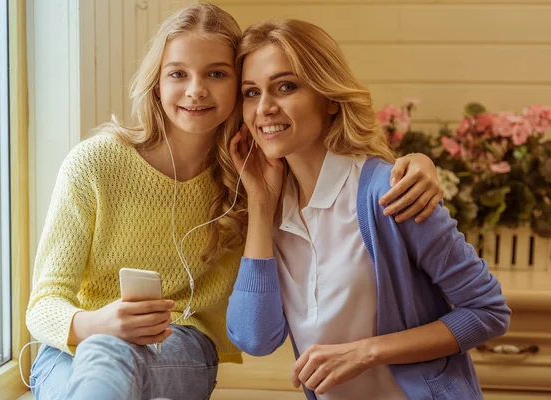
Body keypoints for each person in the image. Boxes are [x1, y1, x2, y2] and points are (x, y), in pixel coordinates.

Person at [25, 4, 443, 400]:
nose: (195, 91)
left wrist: (420, 162)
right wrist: (96, 323)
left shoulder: (256, 173)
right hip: (70, 350)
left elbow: (343, 166)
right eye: (177, 74)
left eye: (216, 74)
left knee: (109, 355)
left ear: (238, 86)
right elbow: (43, 305)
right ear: (156, 82)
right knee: (102, 354)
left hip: (181, 346)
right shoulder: (96, 163)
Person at [227, 19, 511, 400]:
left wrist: (367, 352)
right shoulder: (271, 209)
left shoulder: (390, 191)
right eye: (250, 92)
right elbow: (255, 338)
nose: (264, 108)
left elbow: (487, 311)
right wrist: (261, 208)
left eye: (286, 86)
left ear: (329, 97)